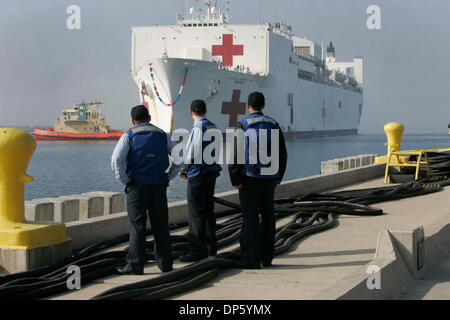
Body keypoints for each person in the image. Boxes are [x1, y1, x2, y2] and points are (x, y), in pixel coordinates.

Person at [111, 105, 180, 275]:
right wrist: (169, 175)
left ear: (133, 121)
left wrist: (125, 179)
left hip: (137, 186)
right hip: (158, 186)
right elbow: (181, 156)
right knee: (161, 225)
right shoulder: (163, 135)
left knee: (137, 226)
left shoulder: (128, 136)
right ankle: (165, 264)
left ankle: (135, 265)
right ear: (149, 118)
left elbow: (116, 160)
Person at [228, 92, 288, 269]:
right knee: (268, 217)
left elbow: (236, 154)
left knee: (250, 218)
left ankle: (251, 260)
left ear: (248, 106)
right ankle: (267, 258)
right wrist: (278, 177)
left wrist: (235, 179)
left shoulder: (243, 124)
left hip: (248, 179)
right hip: (269, 180)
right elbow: (282, 154)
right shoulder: (274, 125)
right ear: (264, 105)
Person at [178, 100, 222, 262]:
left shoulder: (198, 128)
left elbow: (192, 151)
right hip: (211, 174)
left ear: (191, 112)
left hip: (197, 175)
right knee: (208, 212)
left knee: (195, 214)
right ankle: (211, 248)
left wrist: (184, 169)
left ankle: (197, 251)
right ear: (206, 110)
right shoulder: (214, 127)